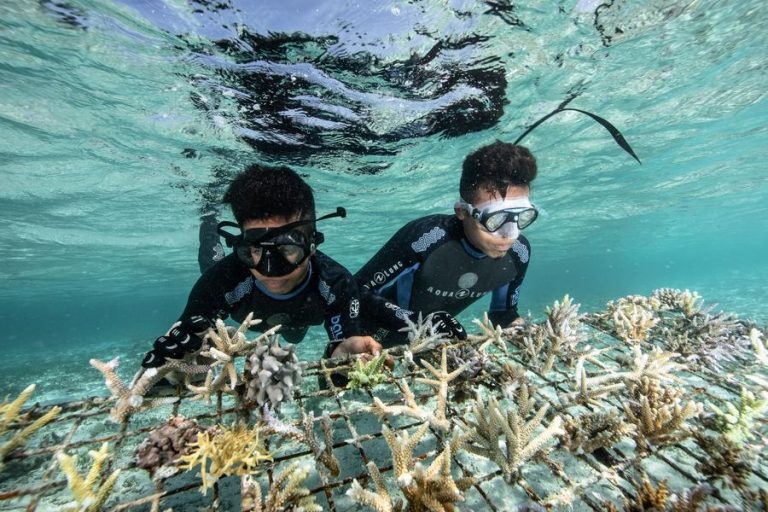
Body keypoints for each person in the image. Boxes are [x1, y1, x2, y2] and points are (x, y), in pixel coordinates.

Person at [141, 163, 383, 369]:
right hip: (257, 304)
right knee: (211, 265)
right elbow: (186, 347)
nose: (270, 271)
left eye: (287, 248)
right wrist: (180, 363)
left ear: (312, 244)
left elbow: (344, 349)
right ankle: (208, 221)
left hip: (299, 323)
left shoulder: (337, 283)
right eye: (254, 249)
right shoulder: (221, 281)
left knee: (294, 335)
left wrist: (344, 353)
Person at [355, 141, 538, 347]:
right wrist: (417, 323)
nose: (510, 234)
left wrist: (521, 330)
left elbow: (503, 314)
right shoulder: (427, 238)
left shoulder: (519, 252)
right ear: (462, 211)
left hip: (435, 338)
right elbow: (355, 291)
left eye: (523, 217)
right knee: (339, 379)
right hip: (374, 331)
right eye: (495, 219)